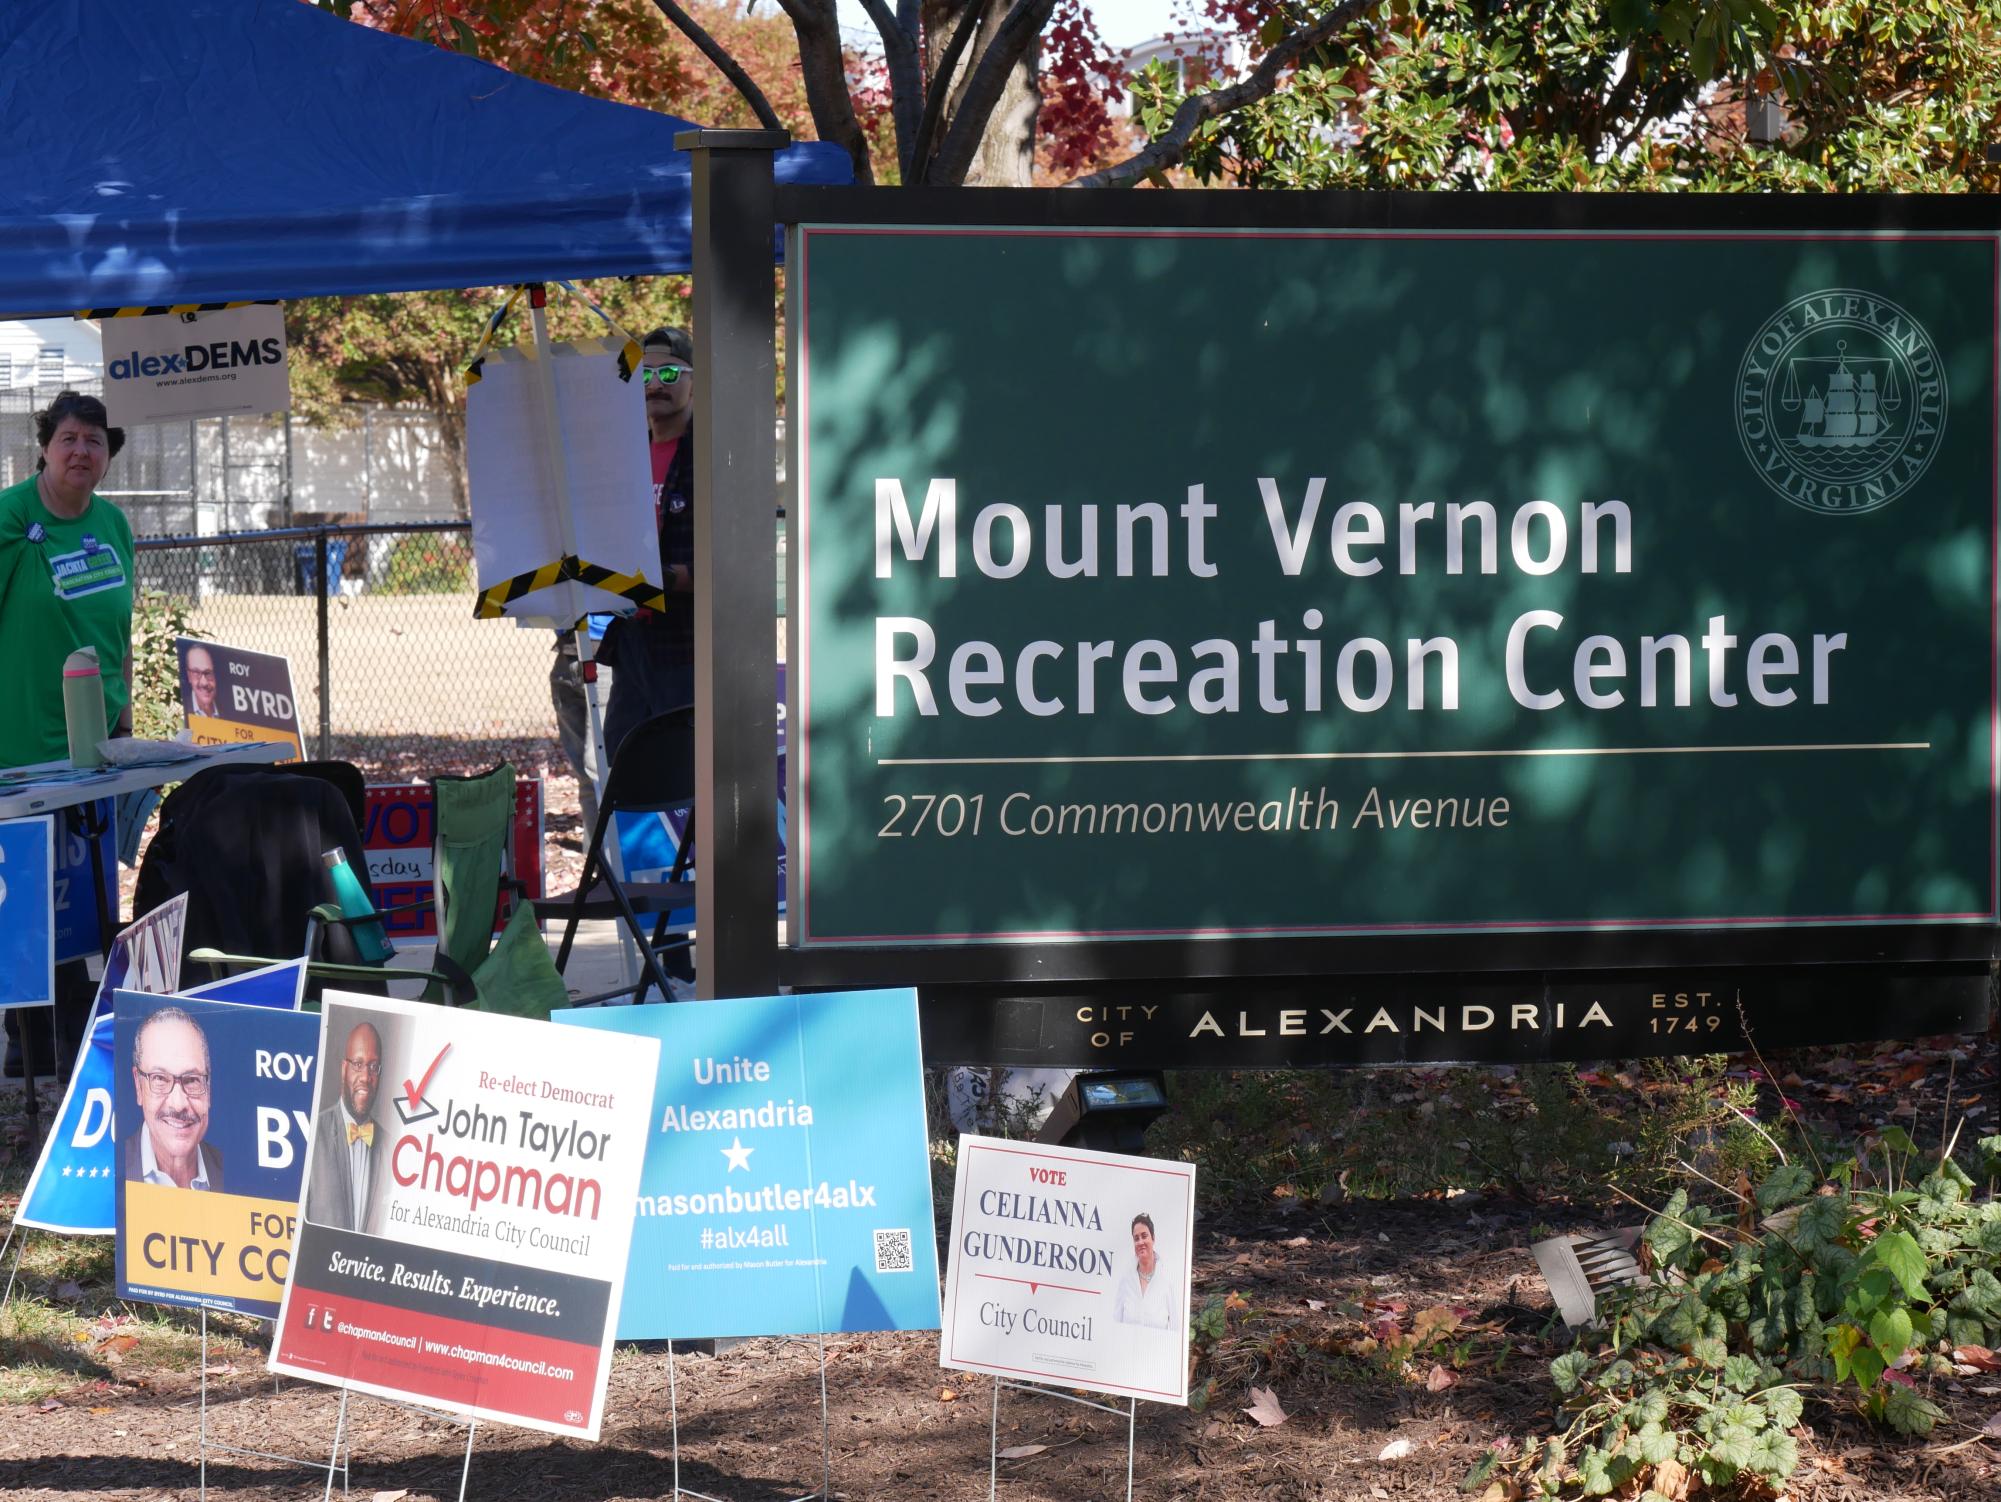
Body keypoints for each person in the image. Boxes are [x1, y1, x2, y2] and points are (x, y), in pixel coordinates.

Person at [0, 391, 133, 1083]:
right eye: (70, 438)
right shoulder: (10, 517)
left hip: (96, 752)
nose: (82, 451)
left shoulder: (113, 524)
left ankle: (80, 1038)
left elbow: (116, 634)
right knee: (26, 901)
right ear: (46, 445)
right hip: (19, 751)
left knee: (88, 897)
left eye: (95, 442)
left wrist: (126, 719)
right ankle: (26, 1049)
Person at [597, 326, 697, 758]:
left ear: (697, 382)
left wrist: (653, 578)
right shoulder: (624, 455)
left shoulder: (712, 456)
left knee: (688, 779)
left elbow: (730, 568)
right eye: (645, 375)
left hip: (687, 647)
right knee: (623, 768)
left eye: (671, 375)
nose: (656, 385)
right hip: (632, 641)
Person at [122, 1007, 224, 1191]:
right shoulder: (110, 1172)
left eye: (192, 1080)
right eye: (160, 1078)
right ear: (138, 1085)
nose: (178, 1104)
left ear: (208, 1087)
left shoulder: (235, 1173)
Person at [306, 1020, 386, 1233]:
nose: (365, 1077)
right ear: (344, 1069)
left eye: (373, 1067)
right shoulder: (312, 1134)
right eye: (358, 1064)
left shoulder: (393, 1149)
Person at [1110, 1212, 1177, 1328]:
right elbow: (1116, 1324)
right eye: (1136, 1238)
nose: (1140, 1242)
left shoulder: (1168, 1279)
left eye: (1144, 1236)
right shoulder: (1126, 1279)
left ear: (1153, 1238)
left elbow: (1176, 1327)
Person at [183, 644, 219, 718]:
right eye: (196, 673)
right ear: (189, 676)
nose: (204, 683)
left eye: (208, 673)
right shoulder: (182, 713)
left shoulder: (229, 711)